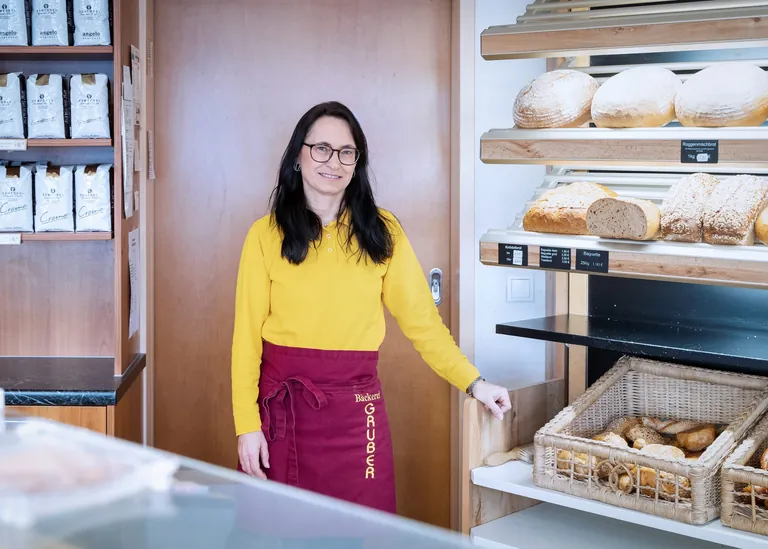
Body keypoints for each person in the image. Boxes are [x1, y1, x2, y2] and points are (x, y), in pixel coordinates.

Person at [231, 101, 511, 515]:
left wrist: (474, 382)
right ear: (297, 156)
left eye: (347, 152)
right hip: (281, 417)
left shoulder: (384, 232)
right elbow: (246, 340)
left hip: (356, 415)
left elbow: (424, 325)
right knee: (277, 531)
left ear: (357, 162)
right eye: (321, 148)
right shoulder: (264, 235)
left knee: (365, 532)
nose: (334, 161)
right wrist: (246, 426)